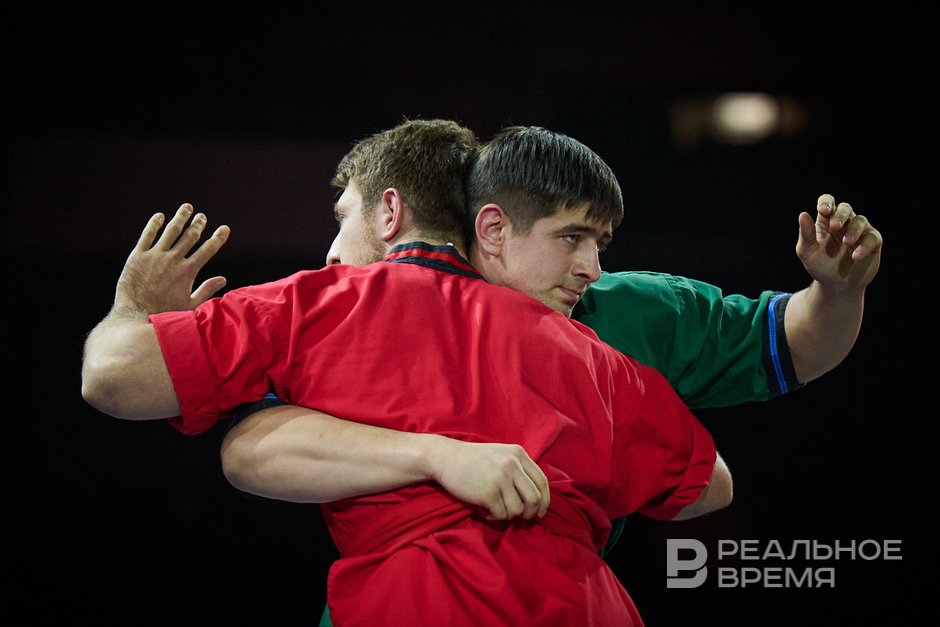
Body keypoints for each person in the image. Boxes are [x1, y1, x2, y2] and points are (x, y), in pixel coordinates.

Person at [82, 120, 733, 626]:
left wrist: (135, 306)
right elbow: (710, 487)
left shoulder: (315, 305)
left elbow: (112, 378)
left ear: (390, 212)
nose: (332, 251)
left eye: (344, 219)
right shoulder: (591, 353)